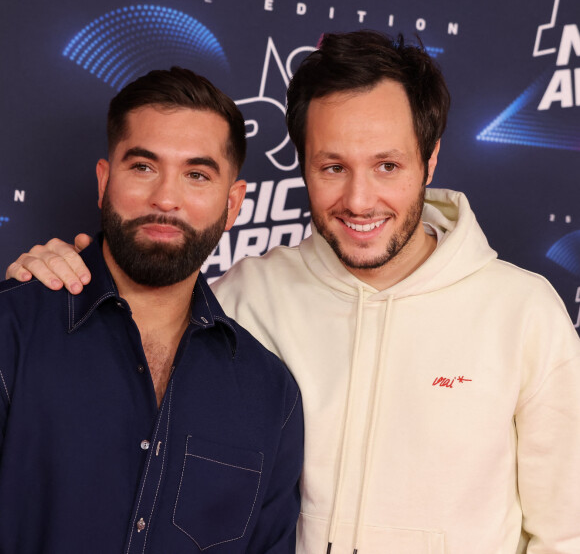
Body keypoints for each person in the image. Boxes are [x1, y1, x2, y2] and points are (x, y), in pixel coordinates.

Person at [7, 31, 580, 554]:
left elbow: (566, 534)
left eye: (386, 165)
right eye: (332, 167)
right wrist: (53, 271)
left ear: (429, 161)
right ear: (301, 168)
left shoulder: (524, 314)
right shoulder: (241, 300)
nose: (359, 200)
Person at [0, 67, 303, 554]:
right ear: (104, 181)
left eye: (197, 175)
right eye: (143, 167)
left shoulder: (270, 395)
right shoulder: (11, 334)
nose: (166, 197)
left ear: (233, 204)